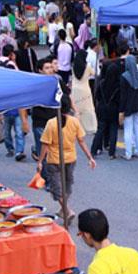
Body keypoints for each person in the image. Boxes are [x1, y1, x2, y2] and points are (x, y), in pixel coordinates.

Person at [38, 95, 96, 224]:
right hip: (70, 159)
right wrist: (90, 158)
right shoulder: (74, 122)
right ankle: (63, 210)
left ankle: (67, 210)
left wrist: (40, 161)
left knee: (56, 188)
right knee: (67, 185)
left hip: (54, 160)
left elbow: (45, 144)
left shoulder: (52, 123)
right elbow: (81, 141)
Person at [0, 44, 30, 161]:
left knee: (18, 132)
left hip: (17, 112)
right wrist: (0, 113)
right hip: (8, 111)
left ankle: (19, 152)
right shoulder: (6, 90)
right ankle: (11, 149)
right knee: (7, 133)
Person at [120, 55, 138, 160]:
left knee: (128, 129)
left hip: (128, 106)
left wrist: (121, 110)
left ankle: (128, 153)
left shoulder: (124, 77)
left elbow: (122, 96)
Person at [31, 58, 59, 163]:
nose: (50, 70)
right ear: (40, 70)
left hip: (55, 122)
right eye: (47, 68)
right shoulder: (35, 84)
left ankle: (53, 177)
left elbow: (66, 96)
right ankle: (45, 178)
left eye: (51, 67)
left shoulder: (56, 81)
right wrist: (24, 120)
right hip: (41, 123)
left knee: (55, 153)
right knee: (44, 155)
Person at [92, 62, 121, 159]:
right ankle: (111, 152)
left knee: (100, 129)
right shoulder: (119, 85)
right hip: (113, 108)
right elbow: (120, 99)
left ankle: (93, 150)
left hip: (102, 108)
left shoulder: (102, 83)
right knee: (113, 129)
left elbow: (97, 96)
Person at [72, 49, 98, 134]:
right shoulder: (88, 66)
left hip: (75, 89)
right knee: (88, 109)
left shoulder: (74, 66)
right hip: (85, 89)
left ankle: (77, 127)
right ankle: (90, 127)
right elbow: (95, 74)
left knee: (77, 109)